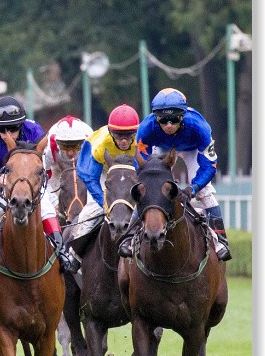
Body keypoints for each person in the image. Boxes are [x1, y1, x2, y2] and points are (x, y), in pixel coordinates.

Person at [119, 88, 231, 261]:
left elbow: (209, 166)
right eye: (163, 120)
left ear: (183, 115)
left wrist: (193, 188)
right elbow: (141, 164)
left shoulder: (200, 127)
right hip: (161, 150)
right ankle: (129, 237)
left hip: (193, 149)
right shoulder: (146, 128)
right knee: (148, 191)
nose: (169, 125)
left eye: (174, 118)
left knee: (205, 193)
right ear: (156, 117)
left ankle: (221, 241)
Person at [0, 96, 70, 274]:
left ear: (21, 125)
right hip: (3, 184)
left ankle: (62, 251)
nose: (7, 134)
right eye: (2, 129)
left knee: (46, 208)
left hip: (30, 184)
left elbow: (39, 169)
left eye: (13, 128)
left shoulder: (35, 132)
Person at [66, 103, 140, 271]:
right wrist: (104, 203)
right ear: (110, 132)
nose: (123, 140)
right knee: (90, 212)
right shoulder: (99, 144)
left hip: (132, 172)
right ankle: (74, 255)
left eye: (129, 136)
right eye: (119, 135)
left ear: (135, 133)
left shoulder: (142, 141)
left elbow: (146, 172)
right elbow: (89, 177)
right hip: (104, 173)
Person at [36, 115, 93, 216]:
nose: (70, 152)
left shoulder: (91, 143)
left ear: (82, 142)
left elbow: (95, 176)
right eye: (65, 146)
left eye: (75, 146)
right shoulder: (49, 147)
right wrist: (54, 202)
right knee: (55, 207)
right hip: (57, 168)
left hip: (83, 168)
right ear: (58, 143)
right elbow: (43, 178)